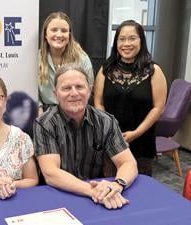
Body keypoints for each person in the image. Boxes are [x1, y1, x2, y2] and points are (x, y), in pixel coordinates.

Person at [33, 64, 138, 210]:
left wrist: (117, 184)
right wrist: (92, 191)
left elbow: (128, 163)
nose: (74, 93)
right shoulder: (45, 124)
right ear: (55, 94)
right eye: (66, 88)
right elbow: (51, 173)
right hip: (58, 196)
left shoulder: (106, 121)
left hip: (98, 198)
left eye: (80, 87)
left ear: (89, 90)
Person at [93, 20, 167, 176]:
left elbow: (158, 107)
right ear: (116, 43)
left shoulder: (154, 71)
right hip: (110, 140)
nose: (126, 43)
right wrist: (111, 131)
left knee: (139, 188)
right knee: (109, 184)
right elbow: (98, 103)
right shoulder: (105, 70)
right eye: (122, 39)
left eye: (132, 38)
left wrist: (136, 132)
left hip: (141, 141)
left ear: (141, 41)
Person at [38, 11, 94, 115]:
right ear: (45, 34)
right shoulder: (36, 60)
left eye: (64, 31)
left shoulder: (81, 58)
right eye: (54, 30)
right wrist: (40, 112)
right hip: (45, 113)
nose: (59, 35)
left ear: (69, 35)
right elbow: (32, 91)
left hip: (75, 111)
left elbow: (88, 88)